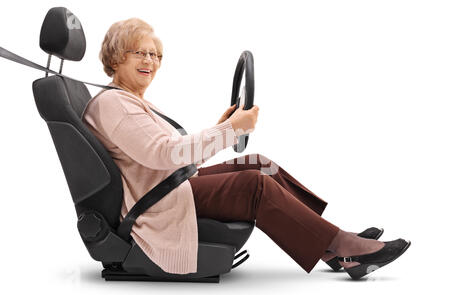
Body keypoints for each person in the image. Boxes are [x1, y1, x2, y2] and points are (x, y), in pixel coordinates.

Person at [82, 17, 410, 280]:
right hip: (159, 203)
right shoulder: (116, 105)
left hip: (166, 186)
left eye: (155, 55)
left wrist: (222, 128)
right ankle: (342, 246)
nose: (150, 61)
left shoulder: (126, 101)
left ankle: (327, 241)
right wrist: (229, 130)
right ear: (117, 56)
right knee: (254, 185)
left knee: (259, 163)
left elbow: (171, 155)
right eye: (140, 52)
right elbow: (165, 154)